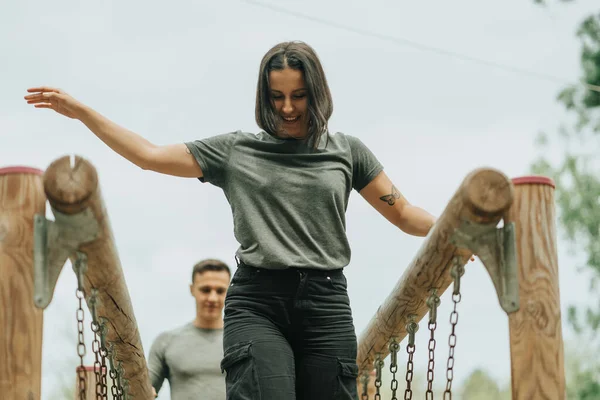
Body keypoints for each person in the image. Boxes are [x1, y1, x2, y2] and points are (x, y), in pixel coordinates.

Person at [24, 41, 437, 399]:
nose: (288, 108)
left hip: (327, 304)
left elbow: (403, 213)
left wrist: (448, 233)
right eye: (277, 97)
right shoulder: (236, 151)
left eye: (299, 95)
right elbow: (148, 156)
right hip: (259, 302)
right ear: (264, 97)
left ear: (317, 94)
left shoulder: (348, 152)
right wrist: (81, 112)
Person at [147, 259, 231, 399]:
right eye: (205, 290)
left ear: (230, 292)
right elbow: (143, 389)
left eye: (220, 291)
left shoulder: (242, 343)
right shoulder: (166, 341)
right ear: (192, 289)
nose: (212, 298)